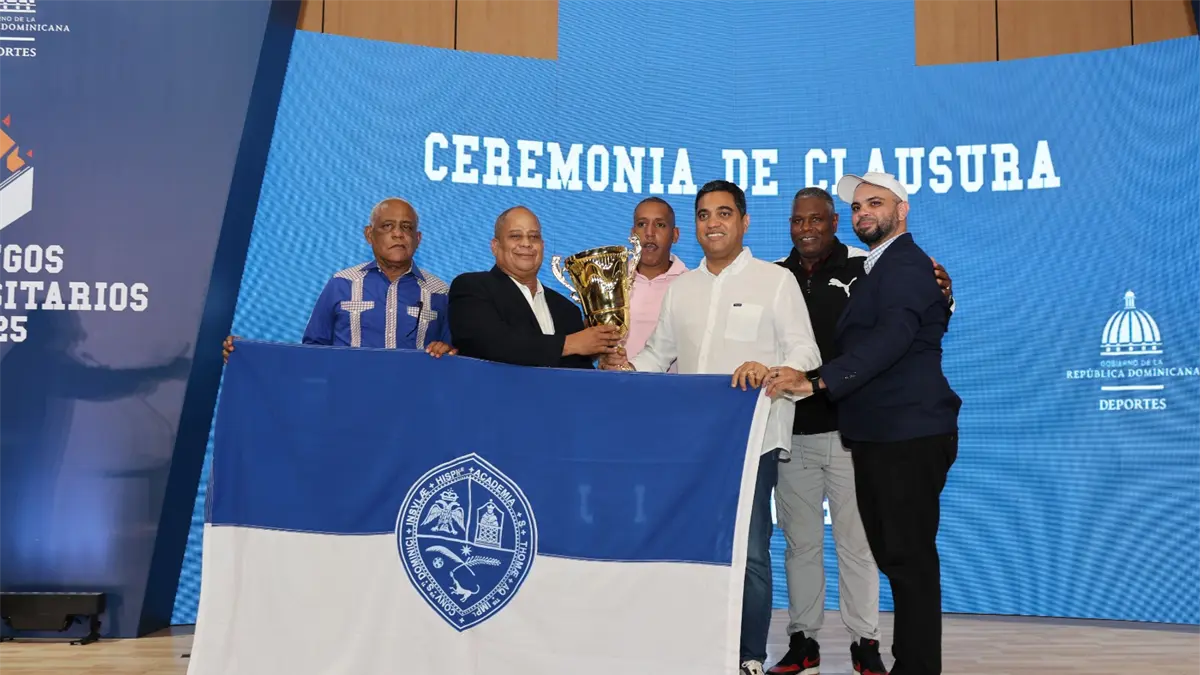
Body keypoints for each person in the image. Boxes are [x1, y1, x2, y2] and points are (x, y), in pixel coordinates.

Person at [600, 180, 822, 675]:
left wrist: (770, 369)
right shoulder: (683, 289)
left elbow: (805, 351)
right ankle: (698, 648)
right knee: (693, 546)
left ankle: (749, 655)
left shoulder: (775, 281)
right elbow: (658, 355)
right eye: (703, 214)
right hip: (690, 446)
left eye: (724, 213)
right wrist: (625, 369)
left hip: (753, 441)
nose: (713, 223)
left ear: (744, 222)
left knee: (751, 551)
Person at [765, 172, 962, 675]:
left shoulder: (904, 264)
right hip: (881, 433)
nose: (863, 213)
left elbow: (894, 336)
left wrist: (818, 382)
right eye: (857, 206)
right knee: (901, 558)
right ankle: (911, 664)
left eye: (874, 203)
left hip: (905, 432)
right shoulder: (883, 265)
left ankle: (911, 665)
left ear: (902, 209)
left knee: (907, 560)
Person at [222, 198, 455, 361]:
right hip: (346, 403)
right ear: (369, 235)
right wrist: (247, 354)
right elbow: (312, 352)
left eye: (407, 227)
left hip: (412, 406)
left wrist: (446, 351)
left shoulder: (440, 292)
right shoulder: (341, 283)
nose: (398, 234)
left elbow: (452, 353)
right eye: (387, 226)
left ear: (418, 238)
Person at [448, 205, 620, 368]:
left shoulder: (566, 310)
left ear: (542, 247)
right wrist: (568, 344)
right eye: (515, 236)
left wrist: (606, 363)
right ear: (495, 246)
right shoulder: (471, 287)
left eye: (534, 237)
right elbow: (489, 343)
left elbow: (578, 371)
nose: (526, 243)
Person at [623, 197, 688, 367]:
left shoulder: (689, 284)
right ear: (632, 234)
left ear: (675, 235)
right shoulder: (612, 282)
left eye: (660, 225)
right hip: (615, 381)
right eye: (642, 224)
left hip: (673, 384)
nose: (649, 233)